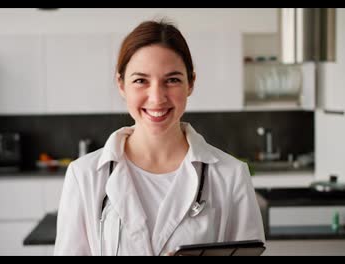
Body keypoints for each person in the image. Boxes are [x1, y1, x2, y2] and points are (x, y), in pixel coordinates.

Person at [54, 19, 265, 256]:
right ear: (121, 84)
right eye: (140, 81)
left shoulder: (231, 175)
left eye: (172, 80)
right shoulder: (84, 175)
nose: (156, 98)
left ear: (191, 83)